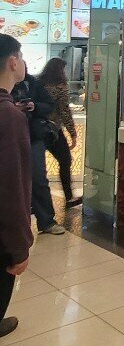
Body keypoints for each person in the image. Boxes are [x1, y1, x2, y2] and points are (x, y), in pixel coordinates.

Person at [0, 34, 34, 346]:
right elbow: (10, 188)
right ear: (12, 62)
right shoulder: (8, 116)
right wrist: (19, 246)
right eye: (21, 57)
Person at [12, 72, 65, 235]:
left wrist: (34, 106)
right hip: (9, 136)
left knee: (38, 178)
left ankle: (47, 221)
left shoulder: (33, 82)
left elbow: (49, 105)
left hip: (33, 136)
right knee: (11, 181)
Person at [38, 57, 81, 208]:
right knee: (65, 160)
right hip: (53, 130)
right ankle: (69, 197)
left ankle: (33, 201)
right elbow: (64, 111)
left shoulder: (39, 83)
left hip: (36, 129)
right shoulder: (60, 87)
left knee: (38, 166)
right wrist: (73, 133)